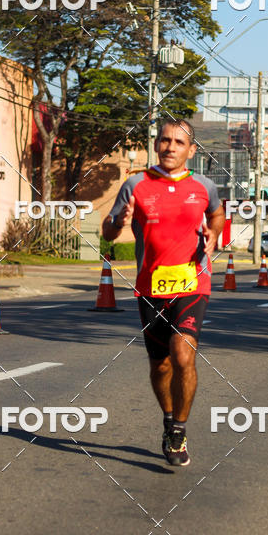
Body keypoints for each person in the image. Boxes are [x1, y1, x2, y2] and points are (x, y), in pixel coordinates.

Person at [102, 118, 225, 468]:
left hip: (192, 281)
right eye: (165, 140)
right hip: (150, 286)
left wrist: (214, 235)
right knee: (160, 365)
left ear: (191, 150)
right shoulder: (136, 185)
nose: (171, 147)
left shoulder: (204, 186)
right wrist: (118, 223)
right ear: (157, 145)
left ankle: (179, 431)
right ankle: (169, 418)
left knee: (182, 353)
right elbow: (108, 232)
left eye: (179, 142)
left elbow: (216, 214)